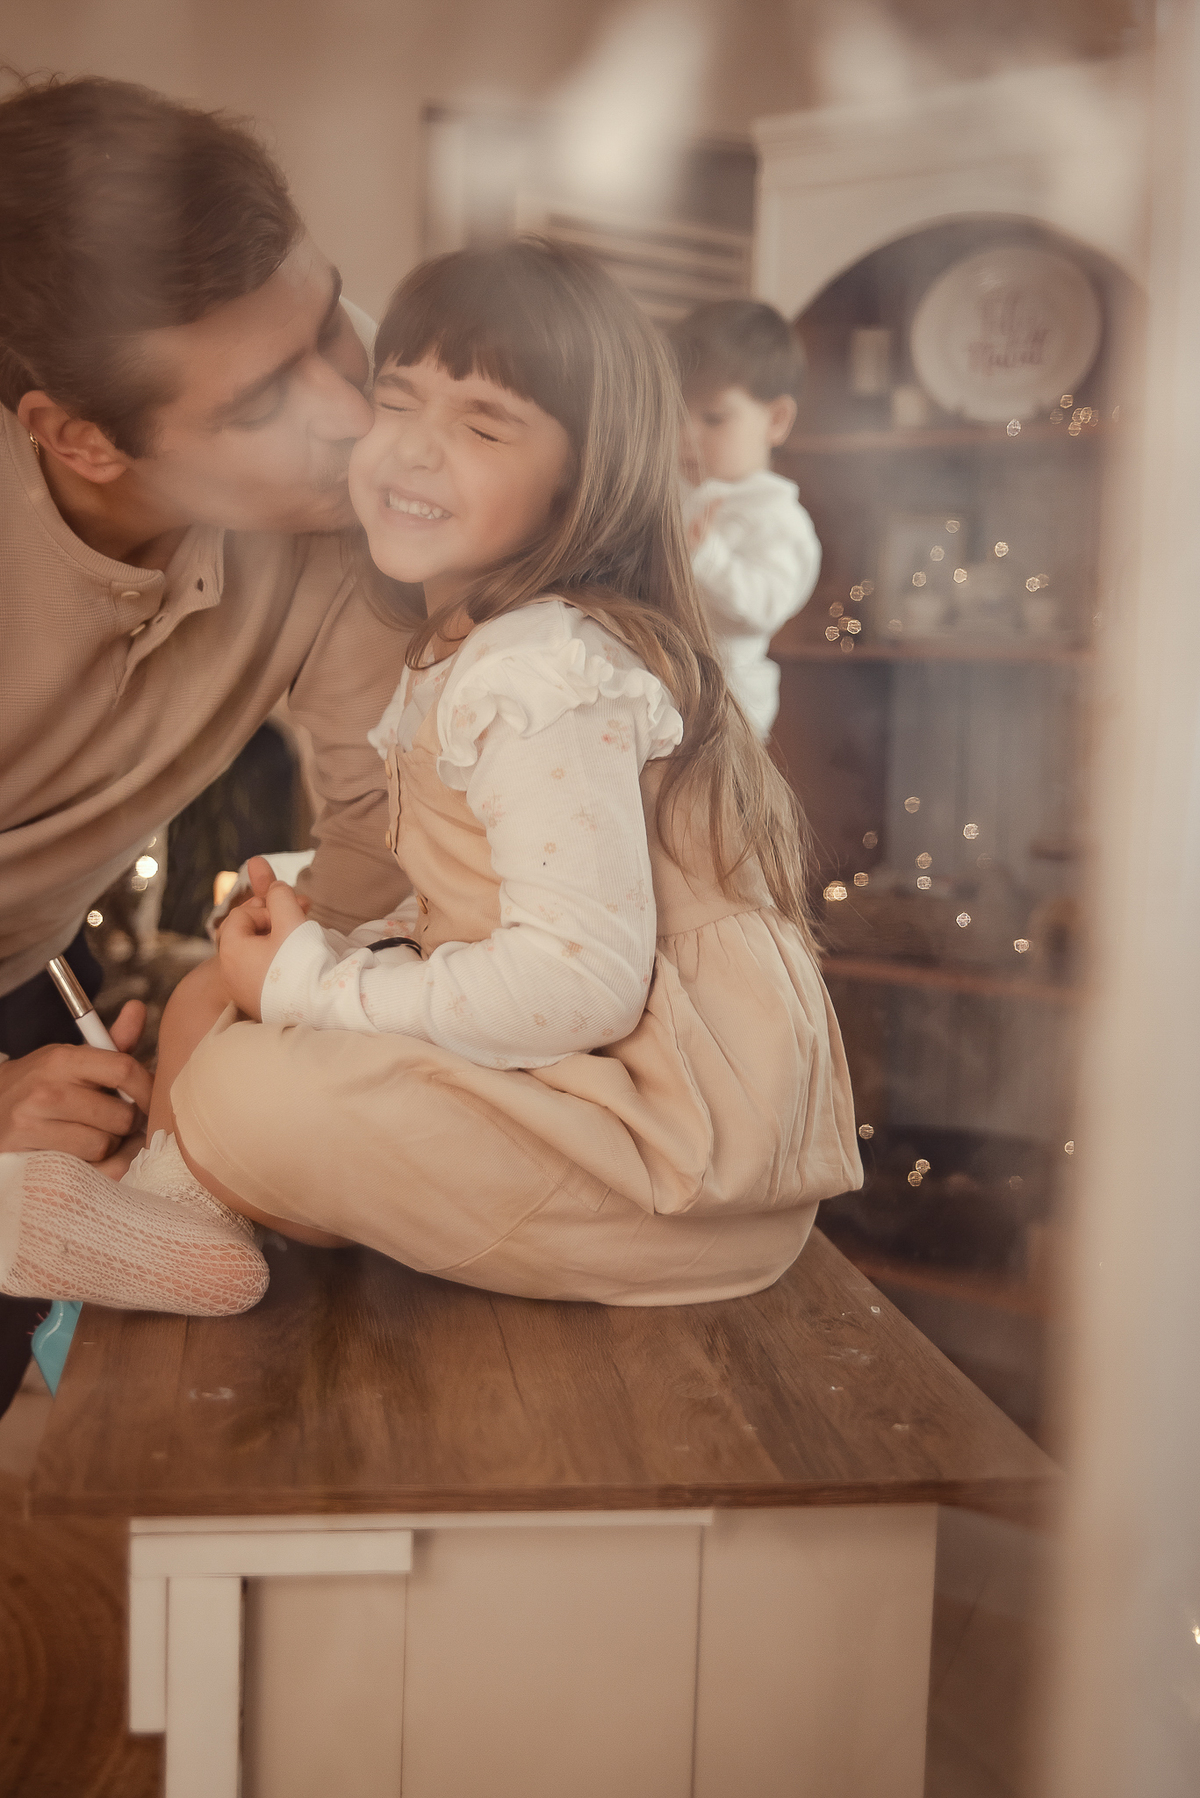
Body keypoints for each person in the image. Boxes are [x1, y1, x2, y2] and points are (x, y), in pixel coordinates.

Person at [2, 240, 861, 1313]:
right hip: (590, 1107)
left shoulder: (544, 667)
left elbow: (573, 984)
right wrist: (309, 921)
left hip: (674, 1173)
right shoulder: (470, 646)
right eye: (396, 401)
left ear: (580, 476)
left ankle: (167, 1209)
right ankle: (185, 1220)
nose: (411, 450)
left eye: (484, 425)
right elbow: (491, 885)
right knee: (203, 1007)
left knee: (248, 1081)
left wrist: (317, 982)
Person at [0, 75, 409, 1409]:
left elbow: (386, 830)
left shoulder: (348, 492)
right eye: (257, 405)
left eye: (328, 327)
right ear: (76, 438)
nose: (350, 415)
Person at [671, 300, 822, 741]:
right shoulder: (677, 493)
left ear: (776, 420)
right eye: (677, 413)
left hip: (730, 703)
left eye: (712, 418)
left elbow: (766, 605)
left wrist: (706, 557)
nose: (687, 435)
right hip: (665, 684)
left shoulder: (776, 516)